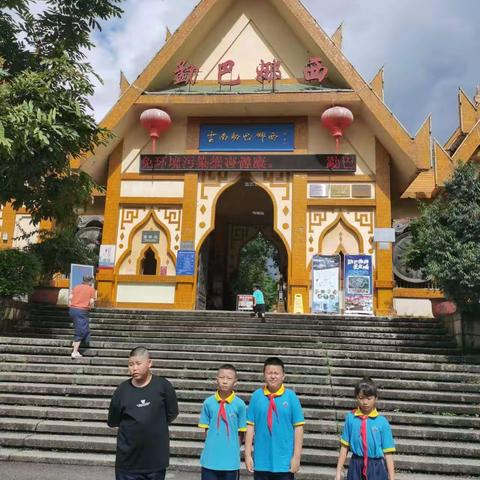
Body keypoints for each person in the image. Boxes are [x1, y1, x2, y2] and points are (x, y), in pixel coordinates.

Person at [108, 346, 179, 480]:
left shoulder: (163, 386)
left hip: (155, 461)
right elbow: (113, 421)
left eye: (138, 364)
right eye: (130, 364)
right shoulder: (121, 391)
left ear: (149, 363)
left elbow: (171, 414)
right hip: (127, 462)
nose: (134, 368)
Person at [245, 357, 304, 480]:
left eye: (276, 373)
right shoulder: (257, 396)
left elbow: (298, 427)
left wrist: (296, 457)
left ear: (283, 376)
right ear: (264, 375)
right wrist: (247, 454)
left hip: (284, 461)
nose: (273, 376)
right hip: (261, 461)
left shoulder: (291, 397)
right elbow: (250, 426)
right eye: (269, 373)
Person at [335, 377, 395, 480]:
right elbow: (344, 447)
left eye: (369, 398)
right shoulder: (351, 418)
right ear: (356, 398)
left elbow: (388, 452)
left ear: (375, 398)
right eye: (361, 398)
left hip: (376, 466)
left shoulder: (382, 422)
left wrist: (392, 477)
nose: (365, 402)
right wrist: (338, 472)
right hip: (356, 465)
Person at [198, 364, 247, 480]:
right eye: (221, 377)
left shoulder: (240, 405)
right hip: (210, 460)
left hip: (230, 462)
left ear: (235, 382)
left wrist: (233, 448)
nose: (225, 381)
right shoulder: (208, 403)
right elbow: (206, 430)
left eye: (229, 378)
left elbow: (242, 432)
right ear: (216, 380)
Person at [69, 274, 96, 359]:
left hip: (72, 309)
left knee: (82, 328)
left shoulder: (76, 287)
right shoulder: (91, 289)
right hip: (82, 311)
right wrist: (91, 307)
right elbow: (91, 301)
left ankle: (75, 343)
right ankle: (74, 351)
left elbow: (70, 297)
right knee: (81, 330)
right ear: (90, 281)